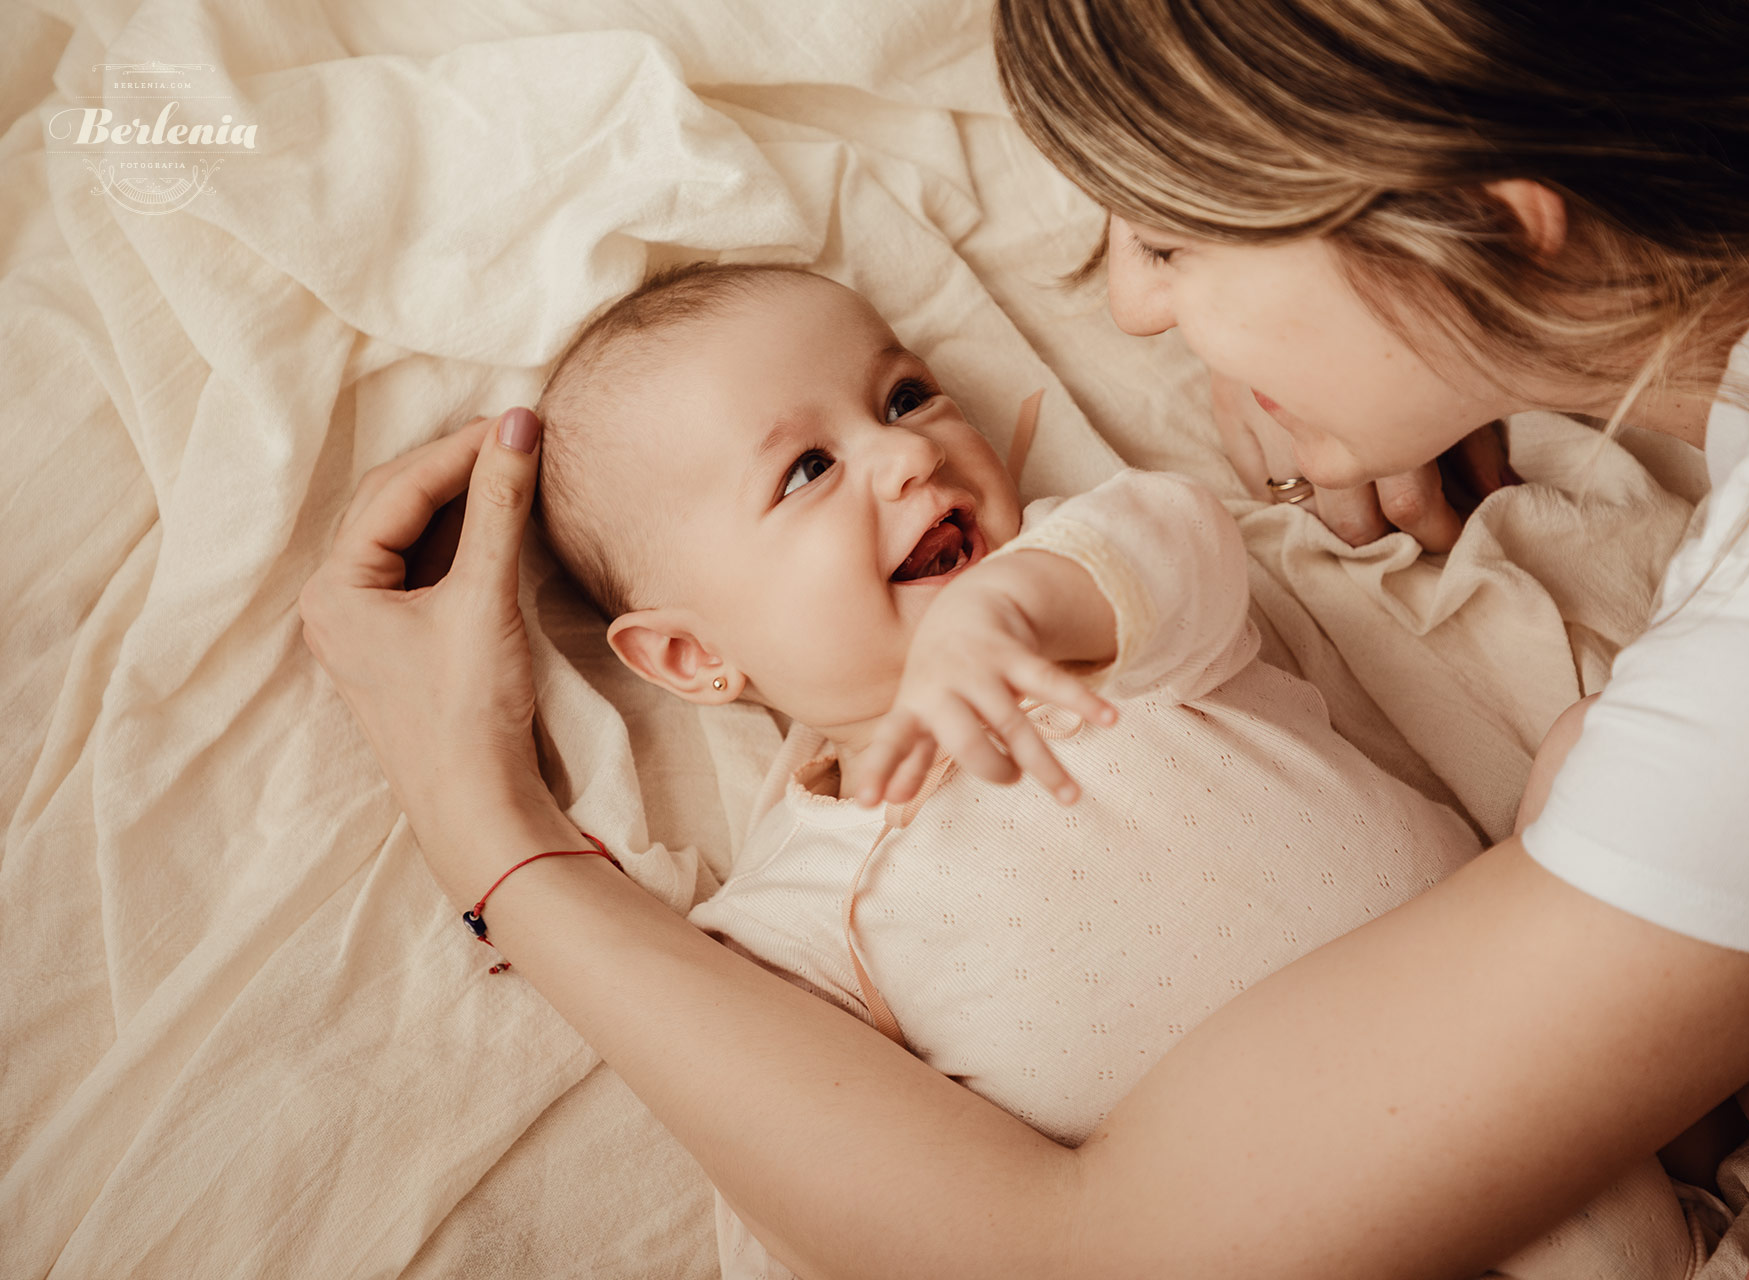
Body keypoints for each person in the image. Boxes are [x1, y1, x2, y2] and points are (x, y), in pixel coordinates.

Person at [297, 2, 1749, 1278]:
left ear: (1487, 232)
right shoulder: (802, 896)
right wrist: (1385, 357)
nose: (1136, 311)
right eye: (803, 473)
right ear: (683, 659)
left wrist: (486, 826)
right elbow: (782, 1106)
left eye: (1178, 237)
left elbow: (1080, 1251)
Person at [524, 259, 1492, 1275]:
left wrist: (1022, 606)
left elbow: (1181, 534)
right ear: (692, 656)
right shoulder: (791, 919)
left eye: (905, 396)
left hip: (1522, 1026)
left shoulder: (1094, 610)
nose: (907, 451)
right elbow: (801, 1185)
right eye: (808, 469)